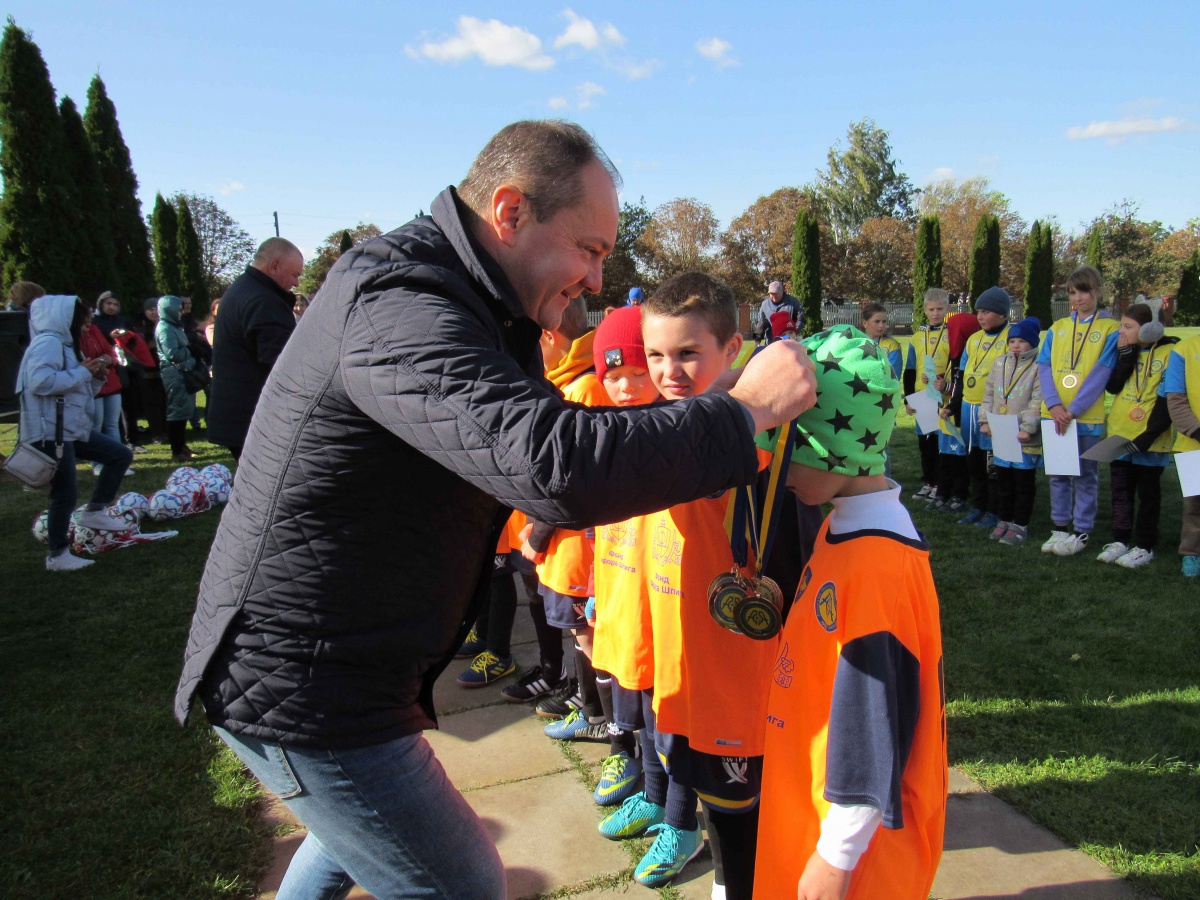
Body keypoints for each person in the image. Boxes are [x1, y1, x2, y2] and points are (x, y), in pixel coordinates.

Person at [174, 120, 817, 899]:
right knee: (463, 882)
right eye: (590, 249)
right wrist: (738, 412)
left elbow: (558, 437)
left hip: (335, 675)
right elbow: (553, 465)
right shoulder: (402, 302)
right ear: (510, 213)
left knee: (350, 844)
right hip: (310, 691)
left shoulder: (463, 301)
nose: (596, 280)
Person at [754, 325, 947, 900]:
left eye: (788, 454)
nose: (778, 471)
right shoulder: (849, 526)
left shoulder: (875, 571)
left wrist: (835, 859)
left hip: (852, 857)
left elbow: (872, 722)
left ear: (838, 450)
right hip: (810, 804)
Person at [623, 272, 780, 895]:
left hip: (733, 679)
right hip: (678, 667)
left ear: (733, 348)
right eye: (656, 354)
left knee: (742, 817)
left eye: (689, 353)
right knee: (709, 798)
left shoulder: (755, 447)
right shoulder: (658, 429)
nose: (670, 371)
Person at [587, 305, 660, 809]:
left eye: (638, 373)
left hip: (655, 604)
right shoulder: (604, 430)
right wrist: (595, 592)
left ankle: (667, 804)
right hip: (617, 593)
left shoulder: (668, 436)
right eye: (614, 376)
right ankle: (637, 771)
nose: (627, 387)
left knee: (661, 712)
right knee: (631, 697)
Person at [14, 295, 133, 571]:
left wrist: (95, 375)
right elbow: (41, 383)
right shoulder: (49, 343)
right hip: (50, 430)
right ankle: (57, 555)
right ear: (66, 318)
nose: (86, 325)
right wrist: (82, 372)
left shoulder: (66, 345)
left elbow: (76, 389)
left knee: (118, 455)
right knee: (64, 493)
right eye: (84, 319)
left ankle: (95, 512)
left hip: (69, 428)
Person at [1038, 266, 1119, 556]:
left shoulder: (1110, 329)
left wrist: (1073, 410)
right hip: (1055, 415)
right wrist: (1055, 405)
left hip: (1086, 417)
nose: (1078, 297)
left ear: (1098, 291)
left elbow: (1102, 371)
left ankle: (1081, 531)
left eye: (1084, 291)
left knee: (1085, 475)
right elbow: (1044, 367)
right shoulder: (1057, 329)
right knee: (1058, 474)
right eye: (1073, 292)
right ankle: (1059, 527)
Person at [1096, 302, 1177, 568]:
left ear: (1150, 329)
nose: (1121, 332)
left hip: (1150, 439)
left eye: (1128, 327)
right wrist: (1126, 356)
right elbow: (1113, 386)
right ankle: (1121, 539)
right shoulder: (1126, 351)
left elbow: (1168, 401)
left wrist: (1148, 436)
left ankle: (1145, 545)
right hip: (1120, 434)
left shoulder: (1170, 353)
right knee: (1120, 491)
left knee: (1148, 494)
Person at [207, 237, 303, 459]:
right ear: (274, 266)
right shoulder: (264, 300)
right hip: (255, 418)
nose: (297, 283)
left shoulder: (241, 289)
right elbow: (284, 363)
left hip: (238, 415)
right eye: (295, 275)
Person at [978, 317, 1043, 545]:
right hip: (1001, 432)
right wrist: (984, 420)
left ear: (1033, 343)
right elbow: (988, 395)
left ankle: (1020, 523)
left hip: (1023, 437)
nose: (1016, 345)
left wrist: (1027, 428)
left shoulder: (1039, 366)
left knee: (1023, 482)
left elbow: (1038, 399)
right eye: (1012, 340)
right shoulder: (999, 363)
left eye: (1022, 341)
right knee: (1003, 480)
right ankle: (1004, 519)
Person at [954, 287, 1012, 529]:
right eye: (978, 311)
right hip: (969, 406)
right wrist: (955, 404)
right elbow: (963, 372)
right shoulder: (974, 339)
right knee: (974, 460)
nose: (980, 316)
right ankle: (978, 505)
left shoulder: (1011, 338)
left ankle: (995, 509)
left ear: (1001, 313)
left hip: (993, 410)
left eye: (986, 311)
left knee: (993, 463)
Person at [929, 311, 981, 513]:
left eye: (953, 331)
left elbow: (965, 389)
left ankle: (959, 495)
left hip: (959, 415)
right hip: (946, 415)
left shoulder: (968, 358)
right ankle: (943, 493)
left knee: (959, 460)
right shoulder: (953, 357)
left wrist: (947, 387)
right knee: (945, 458)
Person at [1162, 329, 1200, 577]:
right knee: (1195, 505)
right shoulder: (1184, 349)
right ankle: (1191, 554)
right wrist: (1195, 430)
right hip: (1192, 442)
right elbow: (1175, 398)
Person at [911, 289, 951, 500]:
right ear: (925, 310)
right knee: (925, 443)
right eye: (931, 309)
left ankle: (940, 483)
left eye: (940, 309)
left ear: (947, 309)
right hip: (921, 396)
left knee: (939, 442)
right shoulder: (918, 336)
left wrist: (945, 381)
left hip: (942, 397)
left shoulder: (951, 334)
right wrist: (909, 398)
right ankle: (928, 481)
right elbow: (909, 369)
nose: (935, 313)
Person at [155, 295, 199, 462]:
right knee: (177, 410)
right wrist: (190, 350)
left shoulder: (174, 327)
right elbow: (173, 354)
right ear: (169, 310)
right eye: (179, 309)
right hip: (174, 373)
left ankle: (182, 445)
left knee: (184, 409)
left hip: (182, 372)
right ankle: (177, 449)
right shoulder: (165, 328)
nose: (181, 312)